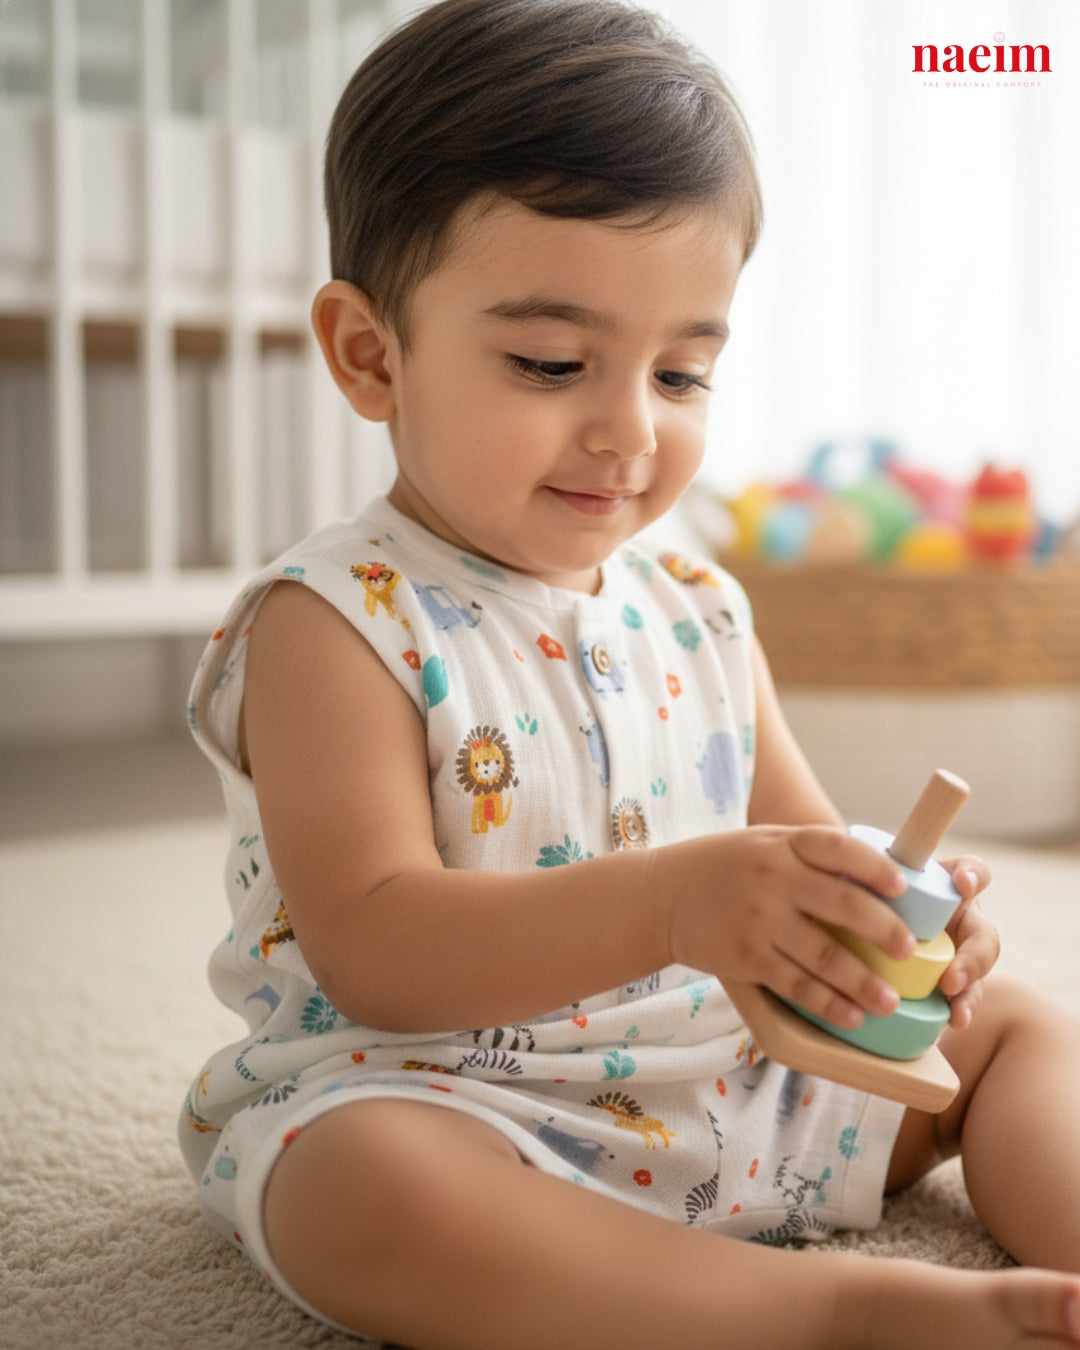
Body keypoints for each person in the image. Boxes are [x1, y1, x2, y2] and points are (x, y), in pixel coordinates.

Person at [180, 1, 1080, 1346]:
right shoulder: (335, 621)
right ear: (373, 354)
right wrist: (676, 901)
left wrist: (892, 924)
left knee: (1016, 1028)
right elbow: (374, 945)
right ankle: (821, 1309)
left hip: (725, 1081)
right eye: (551, 363)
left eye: (681, 372)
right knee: (359, 1190)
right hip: (457, 1102)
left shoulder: (704, 607)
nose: (627, 429)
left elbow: (803, 848)